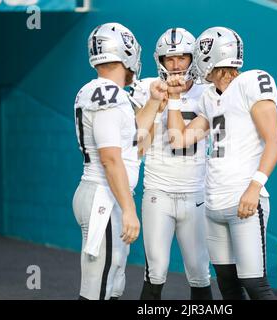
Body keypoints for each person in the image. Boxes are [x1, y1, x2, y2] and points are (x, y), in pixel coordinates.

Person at [167, 27, 277, 300]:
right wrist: (173, 100)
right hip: (214, 204)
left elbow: (275, 142)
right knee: (228, 286)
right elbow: (179, 139)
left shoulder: (252, 82)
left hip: (243, 199)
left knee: (255, 284)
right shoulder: (210, 96)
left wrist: (255, 187)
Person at [72, 22, 159, 300]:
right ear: (126, 51)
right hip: (104, 197)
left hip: (105, 194)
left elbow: (133, 140)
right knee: (97, 288)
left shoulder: (107, 92)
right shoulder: (107, 94)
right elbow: (110, 159)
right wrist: (129, 208)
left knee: (112, 283)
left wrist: (155, 101)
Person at [129, 28, 213, 300]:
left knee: (199, 271)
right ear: (160, 61)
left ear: (193, 58)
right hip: (158, 191)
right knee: (156, 270)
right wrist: (155, 106)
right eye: (169, 59)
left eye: (182, 58)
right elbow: (138, 145)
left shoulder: (207, 93)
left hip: (196, 193)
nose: (176, 65)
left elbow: (184, 140)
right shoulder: (147, 88)